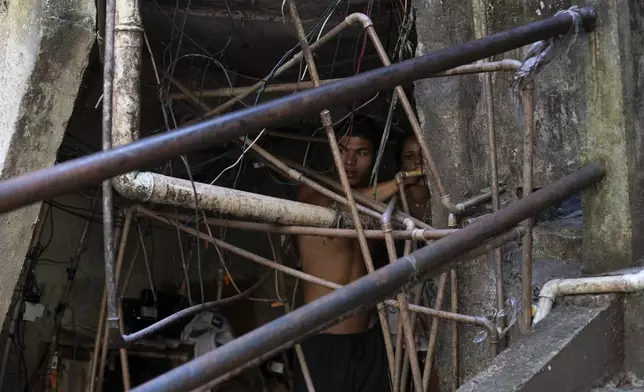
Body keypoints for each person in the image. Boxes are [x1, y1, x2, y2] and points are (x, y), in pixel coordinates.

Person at [293, 118, 418, 392]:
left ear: (374, 157)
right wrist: (401, 182)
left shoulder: (377, 207)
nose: (350, 161)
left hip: (371, 339)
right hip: (325, 343)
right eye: (343, 149)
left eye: (361, 153)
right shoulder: (311, 191)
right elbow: (344, 206)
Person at [398, 133, 431, 222]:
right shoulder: (394, 205)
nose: (418, 161)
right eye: (409, 156)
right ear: (401, 164)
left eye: (423, 155)